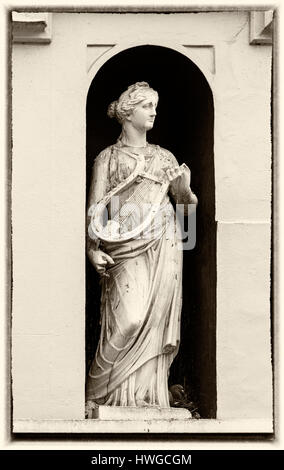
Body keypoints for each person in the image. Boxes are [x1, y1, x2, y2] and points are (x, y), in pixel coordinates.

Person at [85, 82, 197, 414]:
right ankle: (98, 393)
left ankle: (149, 398)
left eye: (155, 106)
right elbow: (95, 209)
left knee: (157, 322)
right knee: (130, 319)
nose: (154, 112)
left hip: (165, 243)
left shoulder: (165, 158)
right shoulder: (108, 158)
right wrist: (92, 249)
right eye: (147, 106)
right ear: (128, 112)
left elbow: (187, 222)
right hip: (123, 247)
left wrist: (186, 193)